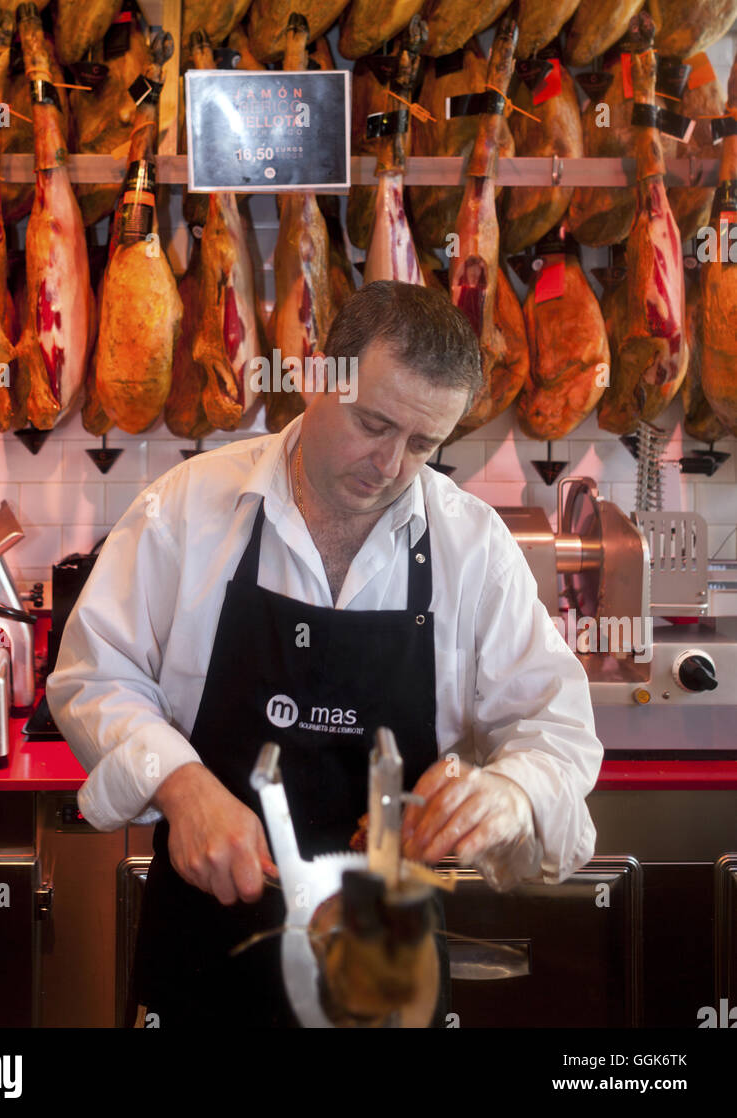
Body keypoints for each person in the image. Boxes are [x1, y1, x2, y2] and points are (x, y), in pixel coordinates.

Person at [47, 281, 603, 1029]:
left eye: (423, 444)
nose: (390, 464)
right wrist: (179, 784)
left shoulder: (472, 548)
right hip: (212, 955)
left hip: (387, 969)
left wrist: (514, 791)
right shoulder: (188, 507)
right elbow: (94, 675)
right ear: (316, 375)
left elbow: (556, 731)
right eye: (374, 423)